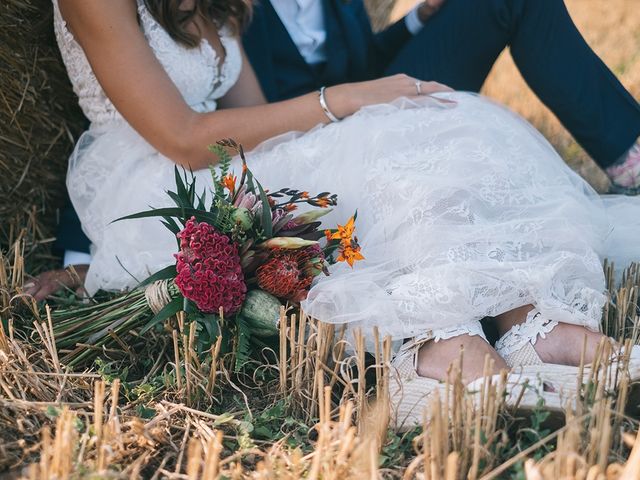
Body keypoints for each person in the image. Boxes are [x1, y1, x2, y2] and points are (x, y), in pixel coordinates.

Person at [47, 0, 640, 427]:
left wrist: (353, 131)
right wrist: (345, 103)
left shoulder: (218, 4)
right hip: (164, 182)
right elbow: (181, 136)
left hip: (233, 161)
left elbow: (262, 123)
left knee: (419, 128)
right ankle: (436, 341)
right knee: (380, 148)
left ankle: (528, 325)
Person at [35, 0, 640, 300]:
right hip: (214, 159)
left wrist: (398, 47)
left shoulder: (218, 3)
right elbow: (156, 135)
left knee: (455, 131)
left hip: (277, 138)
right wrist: (85, 249)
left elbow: (287, 96)